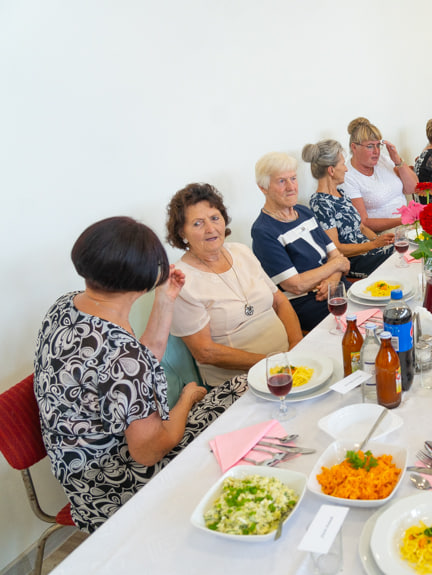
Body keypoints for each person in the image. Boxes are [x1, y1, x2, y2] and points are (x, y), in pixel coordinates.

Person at [34, 217, 245, 532]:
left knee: (236, 394)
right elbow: (149, 451)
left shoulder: (66, 305)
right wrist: (186, 399)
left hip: (77, 474)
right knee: (240, 401)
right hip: (115, 487)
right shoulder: (121, 354)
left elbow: (140, 364)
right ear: (144, 278)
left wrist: (165, 299)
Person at [166, 183, 303, 387]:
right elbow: (205, 352)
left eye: (214, 218)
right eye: (197, 223)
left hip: (287, 361)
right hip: (239, 383)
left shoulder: (240, 251)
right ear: (181, 233)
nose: (210, 229)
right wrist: (270, 364)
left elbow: (280, 301)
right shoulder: (180, 280)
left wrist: (297, 345)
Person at [251, 152, 351, 332]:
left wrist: (333, 280)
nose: (291, 187)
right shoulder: (263, 231)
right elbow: (296, 285)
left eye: (293, 178)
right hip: (308, 303)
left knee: (383, 306)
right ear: (263, 188)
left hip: (335, 288)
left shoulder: (303, 212)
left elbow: (337, 255)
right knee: (364, 322)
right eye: (282, 181)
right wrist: (335, 266)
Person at [305, 139, 395, 278]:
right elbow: (335, 247)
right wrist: (374, 245)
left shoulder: (342, 193)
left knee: (404, 246)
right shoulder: (320, 203)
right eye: (342, 164)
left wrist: (381, 240)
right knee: (402, 255)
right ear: (331, 170)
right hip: (354, 261)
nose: (346, 168)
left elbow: (362, 228)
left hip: (369, 253)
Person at [341, 117, 418, 232]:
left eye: (378, 145)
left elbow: (413, 188)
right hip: (384, 233)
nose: (376, 151)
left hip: (408, 223)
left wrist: (398, 161)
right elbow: (364, 222)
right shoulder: (348, 176)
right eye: (370, 146)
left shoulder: (383, 160)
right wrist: (403, 220)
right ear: (354, 147)